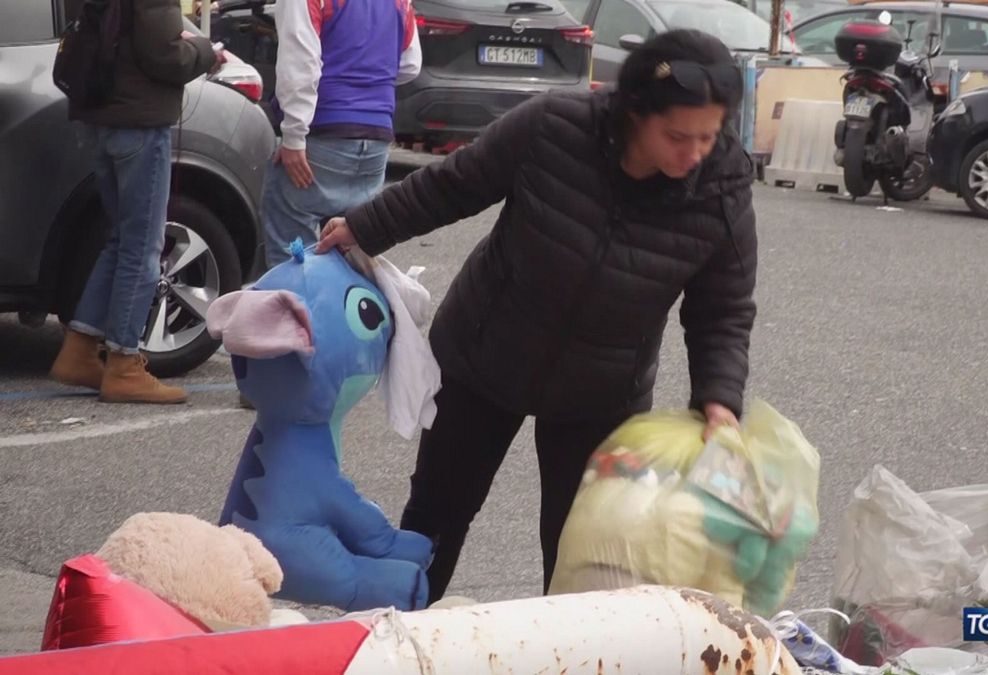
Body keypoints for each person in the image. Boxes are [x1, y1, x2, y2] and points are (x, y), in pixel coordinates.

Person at [318, 29, 758, 602]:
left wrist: (719, 398)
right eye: (677, 136)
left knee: (582, 551)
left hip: (603, 392)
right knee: (435, 519)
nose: (694, 153)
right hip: (484, 353)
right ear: (635, 111)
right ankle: (404, 634)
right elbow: (454, 185)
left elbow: (722, 309)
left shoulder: (722, 188)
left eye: (709, 136)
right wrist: (364, 226)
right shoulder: (555, 126)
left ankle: (564, 649)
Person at [51, 0, 223, 404]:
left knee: (121, 240)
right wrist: (206, 51)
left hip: (101, 117)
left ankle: (80, 349)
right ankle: (124, 365)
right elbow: (166, 55)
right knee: (143, 246)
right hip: (139, 123)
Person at [260, 0, 422, 267]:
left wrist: (293, 137)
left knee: (290, 253)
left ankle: (295, 293)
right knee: (353, 255)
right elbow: (409, 64)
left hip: (323, 132)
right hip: (376, 136)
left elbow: (300, 63)